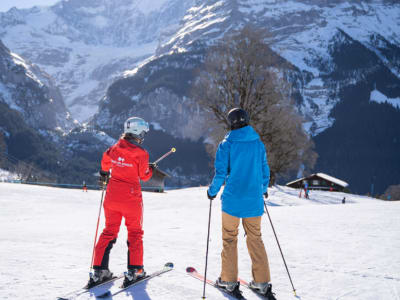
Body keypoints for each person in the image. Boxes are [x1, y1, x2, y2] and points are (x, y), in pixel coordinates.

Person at [207, 108, 276, 299]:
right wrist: (262, 189)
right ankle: (261, 283)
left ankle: (228, 281)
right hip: (253, 202)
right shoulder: (258, 144)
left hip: (232, 202)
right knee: (255, 238)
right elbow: (264, 171)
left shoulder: (226, 144)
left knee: (230, 238)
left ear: (231, 123)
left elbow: (220, 174)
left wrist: (211, 192)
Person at [87, 117, 154, 288]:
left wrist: (104, 174)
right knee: (135, 233)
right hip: (131, 198)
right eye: (143, 133)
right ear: (138, 132)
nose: (144, 136)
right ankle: (135, 271)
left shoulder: (114, 148)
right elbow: (144, 176)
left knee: (109, 231)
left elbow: (105, 162)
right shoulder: (141, 153)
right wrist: (150, 169)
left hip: (112, 196)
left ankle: (98, 271)